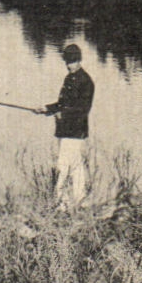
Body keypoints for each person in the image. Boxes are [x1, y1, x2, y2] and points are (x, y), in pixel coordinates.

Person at [33, 43, 95, 209]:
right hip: (65, 130)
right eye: (67, 62)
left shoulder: (86, 82)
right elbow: (62, 103)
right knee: (75, 165)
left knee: (64, 164)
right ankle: (79, 202)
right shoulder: (69, 78)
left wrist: (63, 114)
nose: (69, 65)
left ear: (79, 60)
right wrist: (46, 108)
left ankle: (62, 203)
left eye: (72, 61)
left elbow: (83, 109)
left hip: (75, 131)